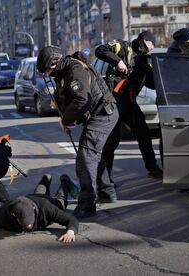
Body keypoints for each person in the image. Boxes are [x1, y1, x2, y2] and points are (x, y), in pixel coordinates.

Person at [37, 46, 119, 218]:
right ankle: (106, 191)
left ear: (55, 63)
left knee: (85, 158)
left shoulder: (74, 70)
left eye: (48, 70)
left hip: (103, 113)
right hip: (100, 113)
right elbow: (65, 97)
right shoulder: (63, 73)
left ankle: (87, 205)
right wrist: (62, 110)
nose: (48, 75)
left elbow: (82, 99)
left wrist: (67, 120)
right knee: (93, 154)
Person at [95, 31, 163, 184]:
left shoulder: (144, 62)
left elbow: (153, 83)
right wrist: (118, 61)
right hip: (112, 101)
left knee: (143, 133)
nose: (146, 50)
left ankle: (152, 168)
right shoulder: (121, 46)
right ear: (141, 41)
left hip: (129, 102)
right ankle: (105, 180)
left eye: (149, 49)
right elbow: (100, 50)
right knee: (112, 140)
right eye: (146, 46)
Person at [0, 174, 79, 247]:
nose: (28, 227)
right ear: (14, 215)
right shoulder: (3, 215)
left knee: (60, 202)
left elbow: (71, 220)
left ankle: (64, 183)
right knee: (37, 193)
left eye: (30, 223)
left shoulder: (47, 208)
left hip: (43, 201)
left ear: (33, 211)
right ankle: (45, 180)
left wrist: (70, 232)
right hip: (30, 198)